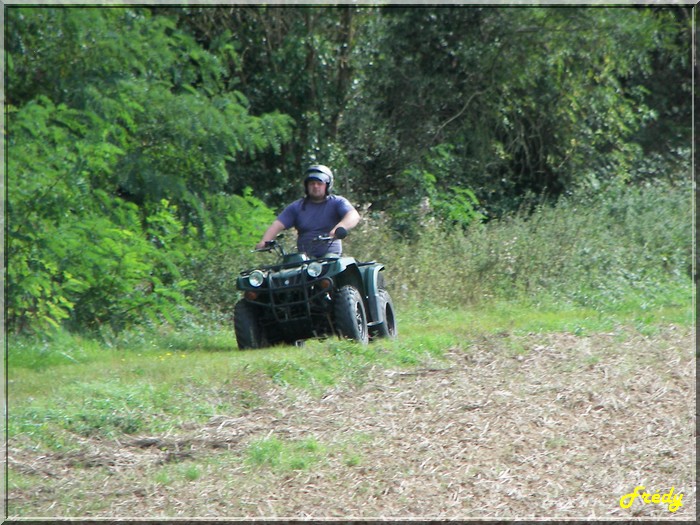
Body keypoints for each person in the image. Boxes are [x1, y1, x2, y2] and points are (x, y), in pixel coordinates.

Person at [255, 164, 360, 257]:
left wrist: (339, 229)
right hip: (305, 259)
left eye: (319, 183)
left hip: (331, 258)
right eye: (312, 183)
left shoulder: (337, 202)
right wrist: (264, 241)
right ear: (306, 186)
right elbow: (277, 225)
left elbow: (353, 215)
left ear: (327, 185)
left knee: (332, 269)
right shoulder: (297, 207)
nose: (315, 186)